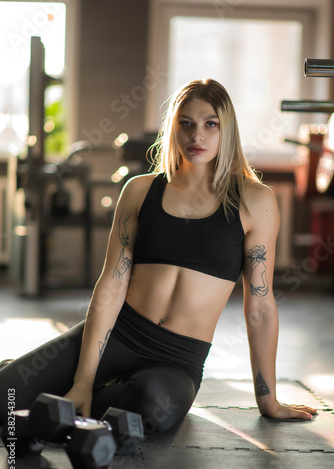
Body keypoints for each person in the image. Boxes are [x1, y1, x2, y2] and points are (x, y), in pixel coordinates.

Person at [0, 79, 317, 432]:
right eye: (187, 123)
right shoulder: (139, 190)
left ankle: (75, 395)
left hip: (177, 358)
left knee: (152, 409)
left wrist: (268, 400)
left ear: (226, 130)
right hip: (118, 334)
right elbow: (110, 287)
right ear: (173, 128)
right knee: (4, 400)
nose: (198, 135)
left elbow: (259, 305)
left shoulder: (255, 201)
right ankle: (51, 383)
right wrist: (82, 380)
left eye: (210, 124)